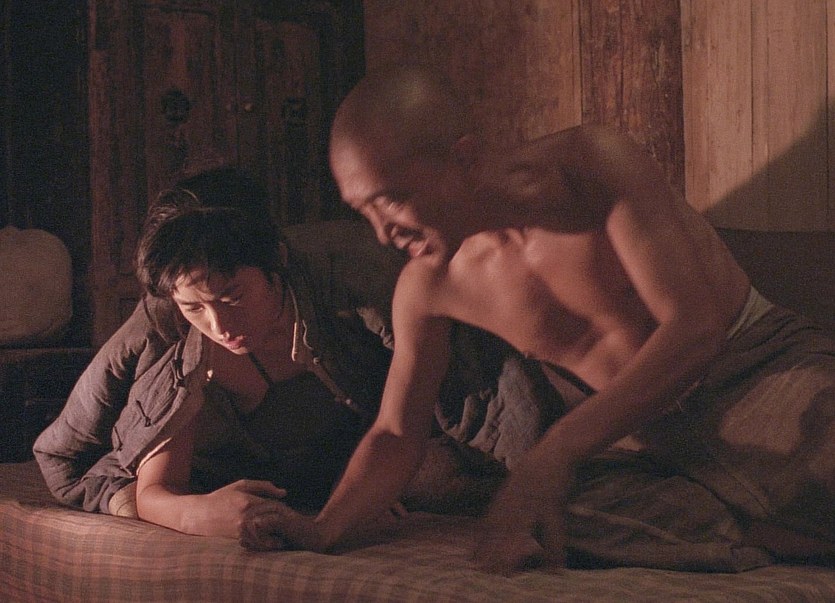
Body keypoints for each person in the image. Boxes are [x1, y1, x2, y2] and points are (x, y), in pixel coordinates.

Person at [240, 64, 835, 573]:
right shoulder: (428, 286)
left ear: (464, 158)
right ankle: (765, 529)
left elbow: (696, 328)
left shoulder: (589, 167)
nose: (381, 233)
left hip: (753, 370)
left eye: (391, 199)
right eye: (362, 211)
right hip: (644, 439)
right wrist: (322, 529)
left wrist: (554, 453)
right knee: (544, 512)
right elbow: (397, 434)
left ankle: (754, 519)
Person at [33, 167, 404, 537]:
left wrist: (359, 495)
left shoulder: (352, 279)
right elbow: (75, 460)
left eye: (233, 298)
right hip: (206, 475)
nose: (219, 326)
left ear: (277, 260)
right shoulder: (167, 328)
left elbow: (416, 419)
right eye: (194, 307)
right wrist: (194, 514)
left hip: (346, 457)